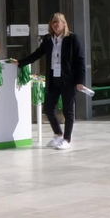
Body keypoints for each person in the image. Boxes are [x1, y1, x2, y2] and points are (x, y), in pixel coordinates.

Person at [17, 12, 86, 150]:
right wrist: (20, 62)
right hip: (53, 78)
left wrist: (80, 80)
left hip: (68, 80)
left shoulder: (72, 38)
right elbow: (38, 53)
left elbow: (80, 60)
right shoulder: (48, 39)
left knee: (68, 111)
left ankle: (66, 139)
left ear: (64, 23)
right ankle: (58, 134)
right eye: (52, 22)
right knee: (48, 108)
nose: (55, 25)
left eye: (57, 22)